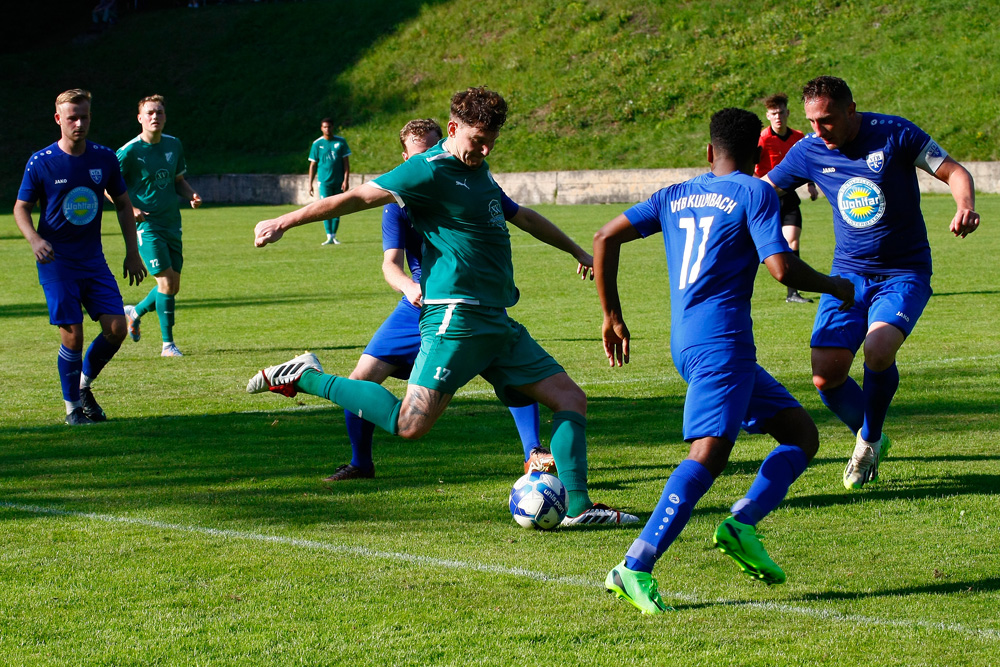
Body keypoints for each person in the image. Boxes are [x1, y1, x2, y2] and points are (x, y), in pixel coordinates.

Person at [250, 87, 635, 526]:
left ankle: (580, 509)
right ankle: (306, 376)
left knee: (570, 399)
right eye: (478, 139)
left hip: (495, 320)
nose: (486, 148)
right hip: (456, 315)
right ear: (453, 129)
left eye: (492, 139)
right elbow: (356, 198)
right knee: (410, 424)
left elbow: (523, 215)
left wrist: (575, 251)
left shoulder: (481, 171)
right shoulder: (425, 170)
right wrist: (284, 220)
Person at [594, 108, 854, 614]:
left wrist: (611, 317)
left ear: (709, 152)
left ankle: (741, 523)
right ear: (759, 156)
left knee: (802, 434)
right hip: (723, 344)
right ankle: (635, 565)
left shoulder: (674, 194)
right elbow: (781, 268)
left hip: (689, 343)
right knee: (709, 454)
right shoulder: (755, 191)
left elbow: (604, 237)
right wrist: (835, 284)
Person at [762, 76, 980, 490]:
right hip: (846, 275)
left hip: (903, 271)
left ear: (850, 110)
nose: (817, 130)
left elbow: (954, 171)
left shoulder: (895, 133)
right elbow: (766, 189)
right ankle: (873, 432)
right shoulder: (807, 150)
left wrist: (965, 206)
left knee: (879, 349)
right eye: (810, 121)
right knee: (826, 376)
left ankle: (868, 441)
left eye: (825, 120)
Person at [327, 118, 553, 481]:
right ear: (405, 158)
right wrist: (407, 287)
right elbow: (390, 263)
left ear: (445, 142)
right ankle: (360, 463)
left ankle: (534, 454)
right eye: (417, 155)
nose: (426, 159)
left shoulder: (466, 179)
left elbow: (517, 215)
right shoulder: (398, 200)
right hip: (417, 304)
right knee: (362, 378)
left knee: (509, 366)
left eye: (433, 149)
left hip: (464, 302)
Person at [13, 89, 147, 425]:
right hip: (56, 261)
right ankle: (73, 408)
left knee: (117, 328)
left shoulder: (104, 158)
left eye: (84, 116)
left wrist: (133, 252)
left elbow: (122, 203)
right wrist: (33, 239)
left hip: (93, 259)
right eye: (72, 117)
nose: (79, 123)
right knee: (73, 334)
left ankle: (84, 385)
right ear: (59, 119)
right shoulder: (41, 162)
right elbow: (21, 208)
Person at [118, 94, 202, 357]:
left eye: (160, 113)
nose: (155, 117)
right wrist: (131, 209)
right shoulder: (129, 151)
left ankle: (134, 312)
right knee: (165, 282)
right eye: (150, 113)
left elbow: (178, 179)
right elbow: (109, 188)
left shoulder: (173, 145)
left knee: (173, 286)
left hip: (171, 223)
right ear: (140, 118)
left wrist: (191, 195)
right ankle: (168, 345)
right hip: (147, 225)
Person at [755, 92, 820, 303]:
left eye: (781, 112)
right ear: (767, 115)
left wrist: (811, 185)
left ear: (788, 113)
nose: (778, 117)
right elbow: (752, 169)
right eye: (773, 113)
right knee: (765, 245)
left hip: (789, 197)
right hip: (767, 198)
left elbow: (808, 162)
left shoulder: (798, 137)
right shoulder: (762, 140)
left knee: (792, 240)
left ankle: (793, 293)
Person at [308, 118, 351, 245]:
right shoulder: (317, 144)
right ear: (321, 128)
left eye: (329, 127)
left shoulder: (341, 142)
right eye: (325, 127)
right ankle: (328, 236)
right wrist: (310, 183)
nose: (327, 129)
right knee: (325, 207)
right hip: (324, 182)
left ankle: (334, 235)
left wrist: (346, 179)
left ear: (333, 127)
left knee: (338, 207)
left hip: (338, 181)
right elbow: (313, 165)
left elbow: (346, 163)